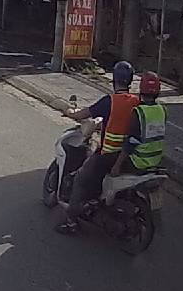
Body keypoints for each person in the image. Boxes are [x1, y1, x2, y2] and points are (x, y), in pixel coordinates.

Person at [56, 61, 139, 234]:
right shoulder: (136, 101)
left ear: (114, 80)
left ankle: (71, 222)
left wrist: (69, 112)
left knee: (80, 179)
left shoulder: (109, 101)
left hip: (108, 155)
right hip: (128, 155)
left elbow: (85, 114)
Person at [113, 71, 165, 177]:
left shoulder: (139, 112)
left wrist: (116, 166)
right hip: (156, 161)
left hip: (138, 163)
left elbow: (131, 142)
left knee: (107, 162)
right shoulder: (162, 110)